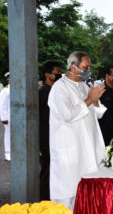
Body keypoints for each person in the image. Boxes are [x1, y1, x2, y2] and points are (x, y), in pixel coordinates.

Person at [48, 51, 107, 210]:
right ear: (73, 67)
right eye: (85, 67)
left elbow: (98, 113)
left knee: (85, 195)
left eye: (90, 67)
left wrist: (94, 101)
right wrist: (89, 99)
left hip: (86, 147)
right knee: (68, 195)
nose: (89, 70)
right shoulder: (60, 88)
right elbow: (67, 114)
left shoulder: (84, 85)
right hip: (69, 152)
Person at [39, 61, 62, 200]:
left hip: (58, 136)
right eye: (56, 73)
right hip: (47, 136)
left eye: (60, 72)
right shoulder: (43, 92)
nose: (59, 75)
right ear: (48, 75)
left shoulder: (57, 91)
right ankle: (44, 200)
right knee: (47, 169)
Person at [0, 72, 10, 161]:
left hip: (16, 115)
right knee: (8, 134)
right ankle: (8, 154)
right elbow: (2, 105)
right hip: (8, 117)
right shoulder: (5, 90)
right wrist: (3, 118)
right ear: (8, 80)